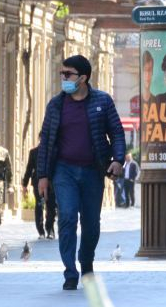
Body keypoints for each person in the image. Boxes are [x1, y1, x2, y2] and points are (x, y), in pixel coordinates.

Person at [36, 55, 128, 291]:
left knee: (91, 224)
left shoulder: (102, 101)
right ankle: (70, 272)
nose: (63, 79)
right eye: (61, 74)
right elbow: (45, 141)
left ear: (83, 78)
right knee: (66, 217)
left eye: (68, 74)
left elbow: (116, 133)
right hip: (63, 171)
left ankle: (86, 262)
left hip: (92, 171)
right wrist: (43, 176)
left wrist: (118, 160)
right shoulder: (56, 105)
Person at [21, 147, 56, 240]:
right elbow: (29, 168)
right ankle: (41, 231)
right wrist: (24, 184)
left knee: (51, 206)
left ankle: (50, 229)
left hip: (51, 183)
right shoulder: (34, 152)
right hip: (38, 183)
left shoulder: (54, 150)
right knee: (40, 205)